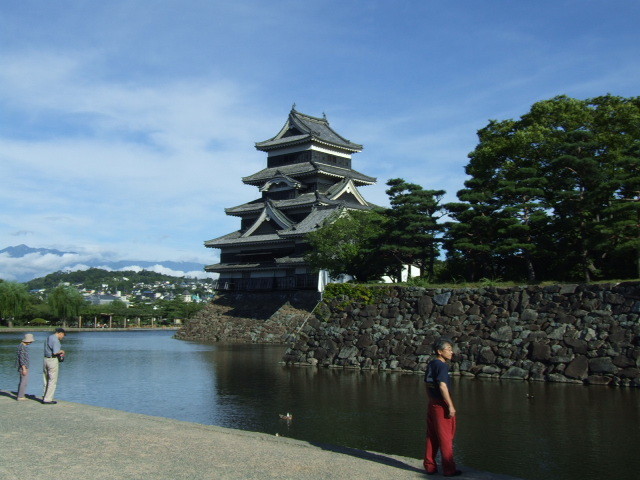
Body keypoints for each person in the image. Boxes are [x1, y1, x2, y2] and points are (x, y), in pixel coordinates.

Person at [423, 339, 461, 477]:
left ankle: (430, 466)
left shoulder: (431, 364)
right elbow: (443, 385)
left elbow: (427, 383)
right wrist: (450, 405)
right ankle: (449, 469)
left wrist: (430, 398)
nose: (451, 352)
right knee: (446, 437)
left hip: (432, 402)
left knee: (431, 435)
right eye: (449, 349)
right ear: (440, 351)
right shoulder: (442, 366)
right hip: (441, 404)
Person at [42, 328, 66, 404]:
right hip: (52, 360)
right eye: (63, 335)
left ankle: (44, 396)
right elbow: (55, 352)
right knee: (52, 380)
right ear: (60, 333)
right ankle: (48, 399)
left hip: (45, 359)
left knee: (46, 379)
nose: (63, 337)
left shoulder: (49, 337)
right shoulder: (55, 340)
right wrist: (62, 351)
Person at [16, 333, 35, 400]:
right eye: (30, 341)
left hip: (23, 366)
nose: (31, 342)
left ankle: (21, 394)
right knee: (24, 381)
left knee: (23, 381)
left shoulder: (21, 346)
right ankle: (20, 396)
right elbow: (21, 358)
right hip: (23, 367)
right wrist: (24, 368)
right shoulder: (22, 347)